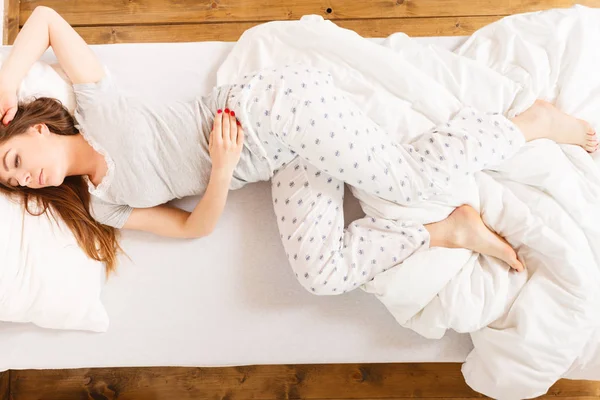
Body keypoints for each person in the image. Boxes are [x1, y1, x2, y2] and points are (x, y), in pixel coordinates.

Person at [0, 6, 596, 294]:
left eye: (15, 161)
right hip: (269, 159)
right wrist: (222, 172)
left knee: (409, 183)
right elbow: (192, 229)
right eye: (17, 184)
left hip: (275, 108)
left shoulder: (96, 107)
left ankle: (530, 122)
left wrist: (5, 82)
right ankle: (447, 231)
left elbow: (48, 20)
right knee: (321, 275)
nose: (24, 178)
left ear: (37, 130)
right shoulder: (104, 206)